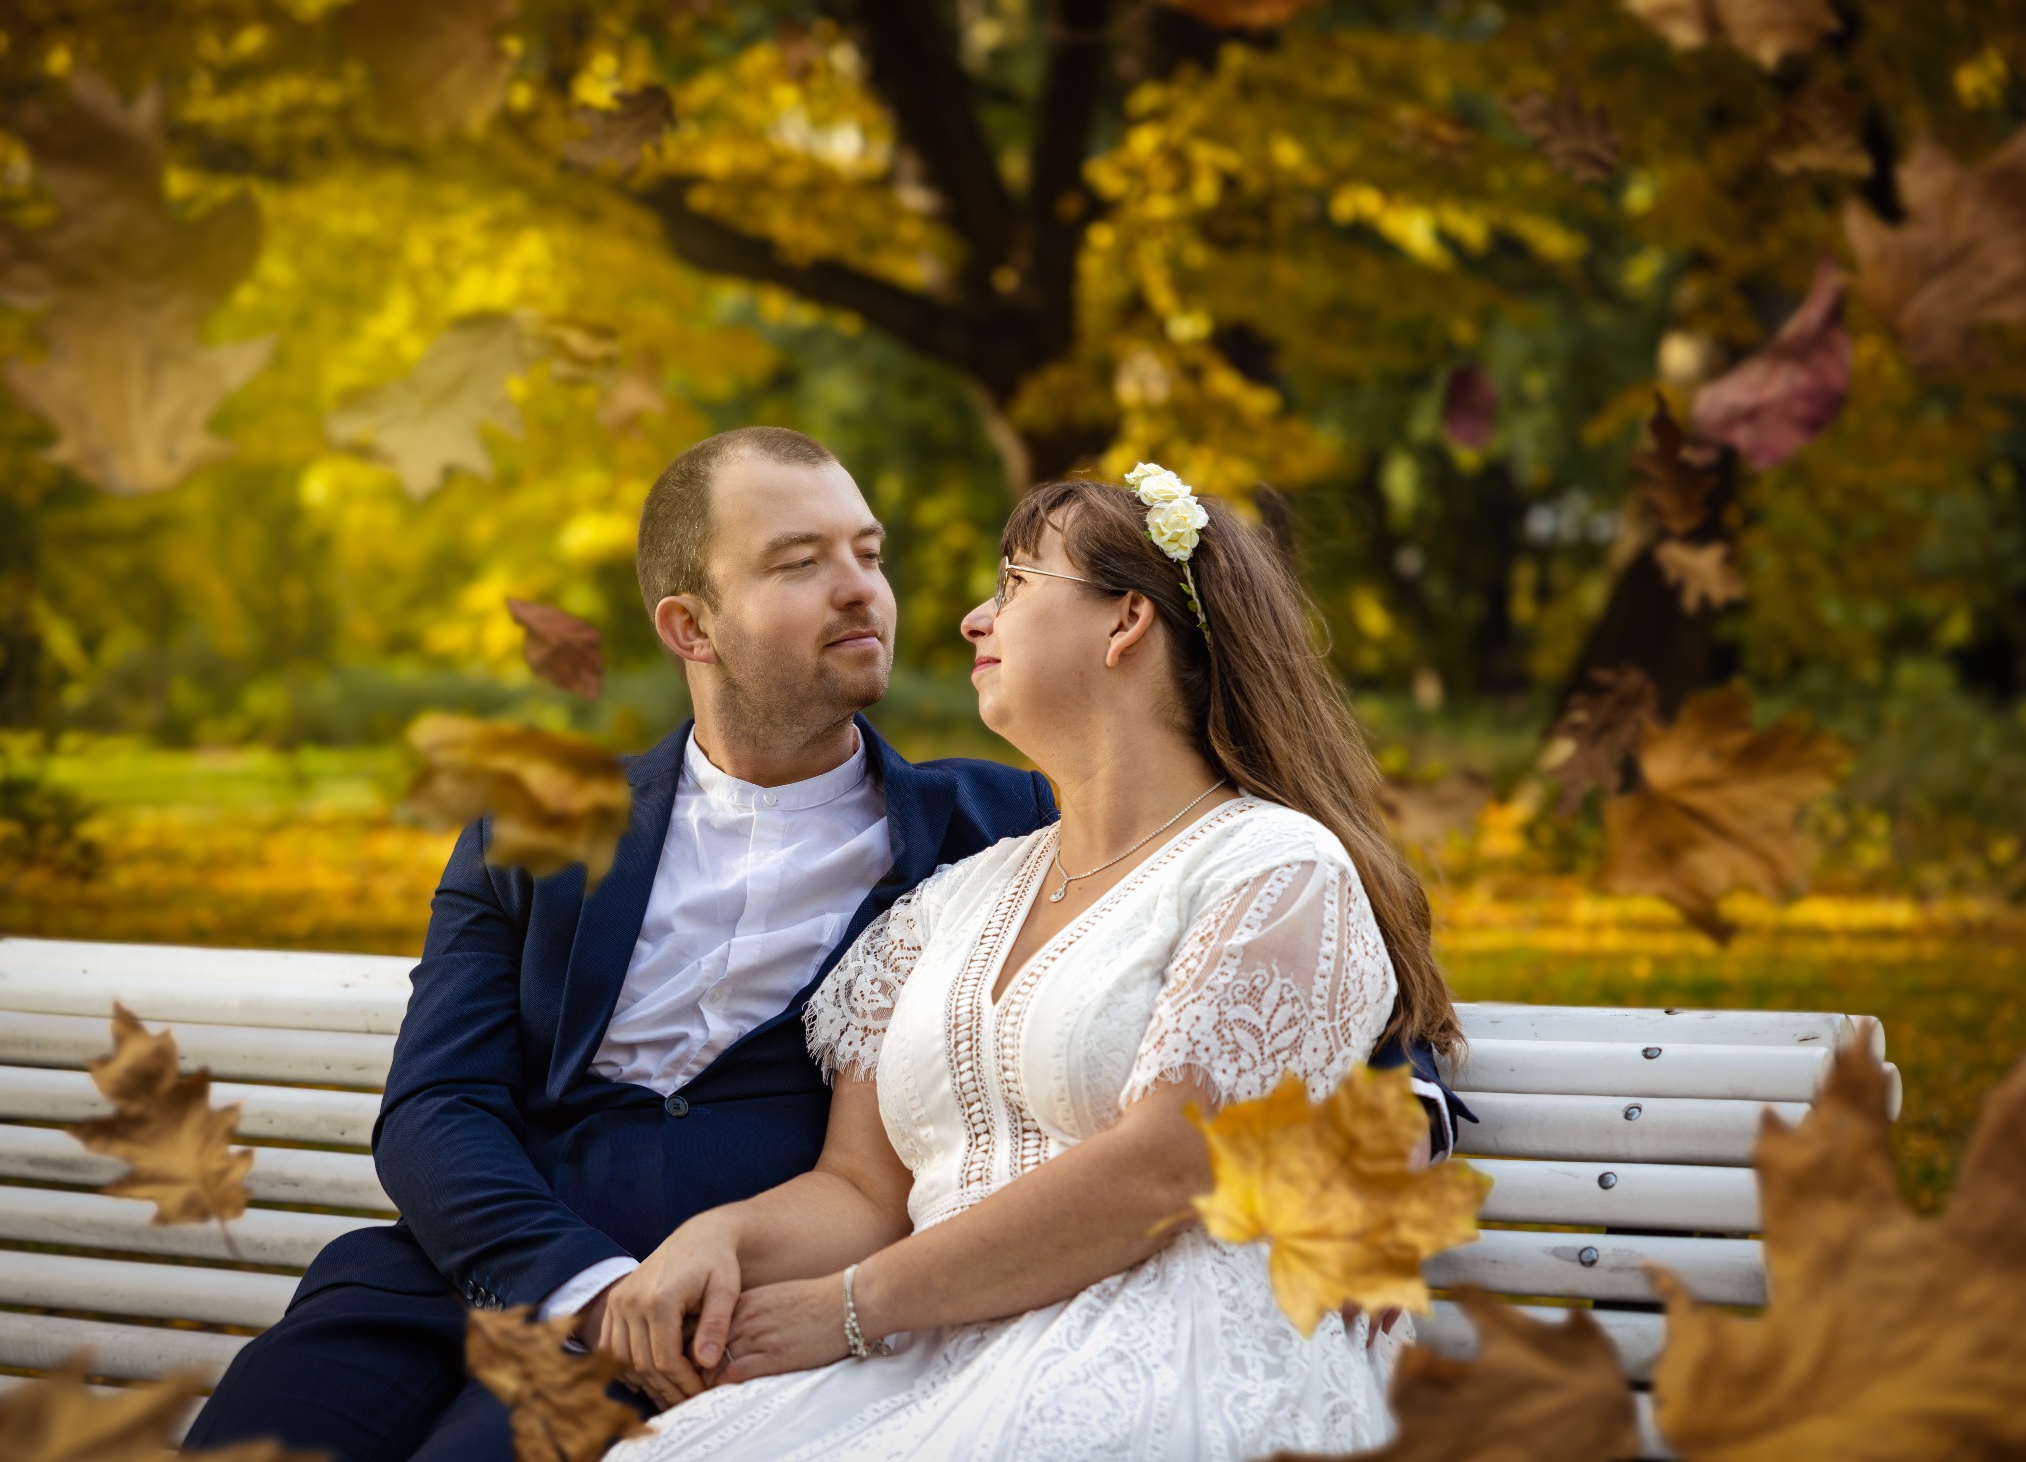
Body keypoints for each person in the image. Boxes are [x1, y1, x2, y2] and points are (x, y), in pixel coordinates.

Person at [183, 427, 1060, 1459]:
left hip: (711, 1317)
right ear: (690, 626)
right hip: (446, 1280)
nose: (859, 588)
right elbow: (434, 1105)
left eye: (866, 553)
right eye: (799, 561)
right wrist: (588, 1289)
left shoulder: (1001, 823)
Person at [601, 466, 1467, 1461]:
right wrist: (724, 1238)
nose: (973, 619)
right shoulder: (950, 898)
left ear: (1126, 620)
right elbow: (860, 1189)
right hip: (931, 1345)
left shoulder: (1271, 865)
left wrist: (848, 1308)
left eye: (1013, 583)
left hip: (1160, 1340)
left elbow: (1165, 1168)